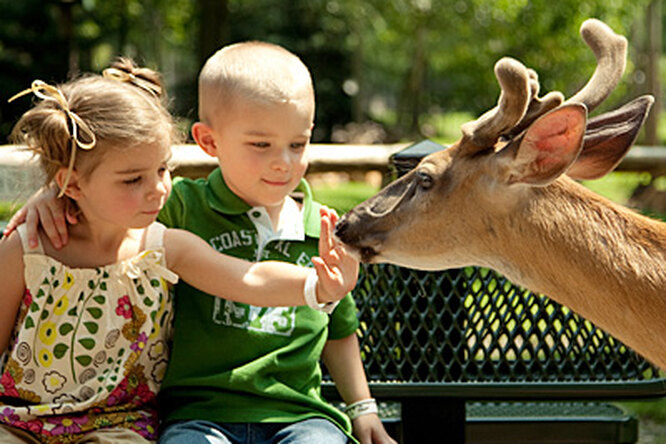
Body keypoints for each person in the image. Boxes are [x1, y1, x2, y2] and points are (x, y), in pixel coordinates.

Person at [6, 43, 395, 444]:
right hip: (197, 415)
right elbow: (107, 187)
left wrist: (361, 406)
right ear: (208, 142)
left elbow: (320, 316)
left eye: (297, 144)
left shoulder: (323, 228)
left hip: (296, 416)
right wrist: (55, 193)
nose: (283, 161)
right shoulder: (175, 208)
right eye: (261, 144)